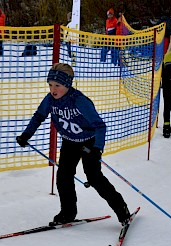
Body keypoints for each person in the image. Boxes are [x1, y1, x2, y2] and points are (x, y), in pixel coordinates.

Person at [16, 63, 131, 226]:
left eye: (57, 85)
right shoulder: (50, 100)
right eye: (50, 85)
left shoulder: (79, 100)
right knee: (63, 177)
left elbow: (100, 126)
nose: (53, 89)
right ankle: (68, 213)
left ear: (67, 84)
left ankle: (122, 210)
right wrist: (26, 134)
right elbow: (38, 116)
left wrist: (97, 149)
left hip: (89, 143)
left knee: (94, 178)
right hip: (69, 142)